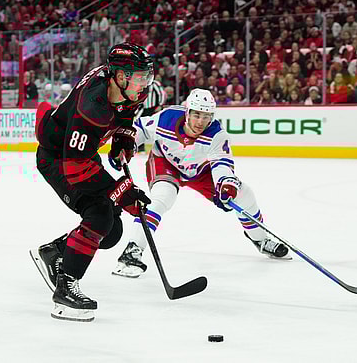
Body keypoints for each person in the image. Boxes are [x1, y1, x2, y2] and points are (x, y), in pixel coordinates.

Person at [29, 43, 154, 322]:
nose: (144, 83)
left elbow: (124, 116)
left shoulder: (121, 86)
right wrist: (122, 193)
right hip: (58, 159)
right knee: (99, 215)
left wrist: (122, 140)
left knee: (111, 231)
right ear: (120, 77)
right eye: (139, 77)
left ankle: (56, 253)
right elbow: (75, 169)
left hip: (78, 155)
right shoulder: (92, 107)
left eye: (146, 76)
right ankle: (65, 290)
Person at [111, 88, 291, 279]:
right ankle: (132, 251)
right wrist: (126, 143)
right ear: (187, 111)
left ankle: (261, 240)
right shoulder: (167, 118)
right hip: (166, 163)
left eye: (206, 116)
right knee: (162, 197)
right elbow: (141, 129)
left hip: (200, 171)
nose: (200, 121)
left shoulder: (216, 134)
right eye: (196, 114)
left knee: (244, 194)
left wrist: (225, 185)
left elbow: (222, 163)